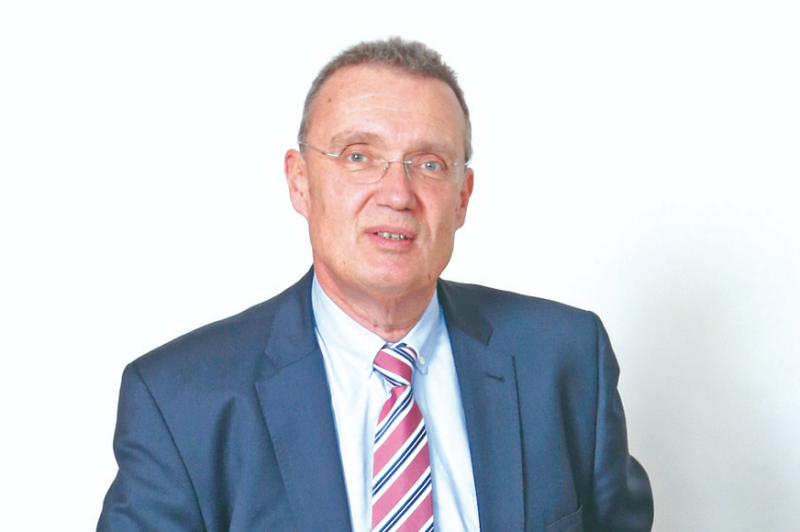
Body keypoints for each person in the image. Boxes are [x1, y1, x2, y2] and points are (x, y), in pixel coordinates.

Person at [98, 37, 653, 532]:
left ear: (462, 197)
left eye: (429, 164)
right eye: (359, 156)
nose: (396, 194)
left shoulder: (563, 361)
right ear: (299, 182)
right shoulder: (180, 401)